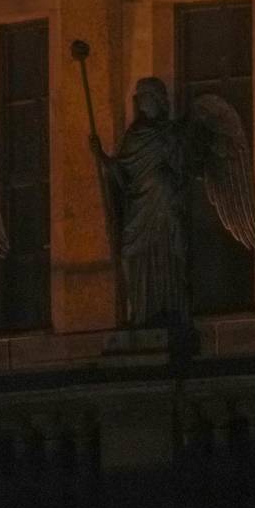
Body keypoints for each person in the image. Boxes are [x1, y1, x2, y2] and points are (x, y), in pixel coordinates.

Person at [90, 77, 189, 330]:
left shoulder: (170, 132)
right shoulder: (133, 134)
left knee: (165, 255)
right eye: (139, 98)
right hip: (139, 207)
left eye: (145, 97)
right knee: (132, 255)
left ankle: (169, 309)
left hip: (164, 204)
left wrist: (172, 186)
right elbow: (121, 170)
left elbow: (181, 168)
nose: (141, 103)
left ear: (156, 99)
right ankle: (142, 313)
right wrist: (100, 155)